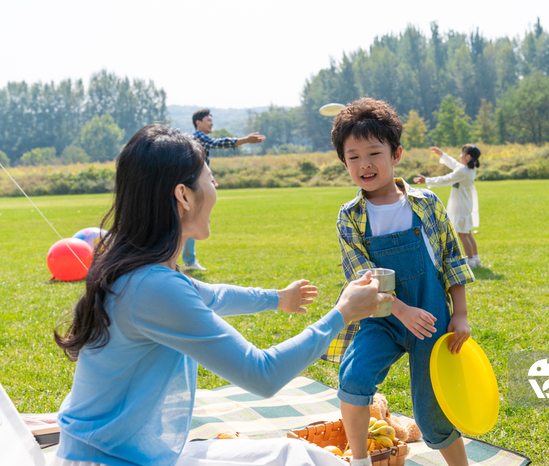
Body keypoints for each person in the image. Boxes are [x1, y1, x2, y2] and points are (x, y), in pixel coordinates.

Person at [51, 124, 392, 466]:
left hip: (121, 454)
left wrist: (278, 298)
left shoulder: (143, 273)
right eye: (210, 179)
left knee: (298, 455)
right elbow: (263, 374)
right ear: (183, 196)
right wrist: (343, 314)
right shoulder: (152, 287)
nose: (216, 188)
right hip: (107, 461)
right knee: (303, 461)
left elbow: (212, 296)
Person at [325, 98, 475, 466]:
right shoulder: (350, 217)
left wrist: (461, 315)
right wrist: (400, 310)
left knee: (432, 415)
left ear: (396, 154)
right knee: (354, 379)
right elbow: (362, 276)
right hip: (382, 320)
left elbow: (452, 260)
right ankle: (360, 461)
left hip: (432, 322)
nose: (364, 164)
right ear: (344, 163)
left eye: (374, 153)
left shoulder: (426, 203)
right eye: (353, 156)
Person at [183, 108, 266, 271]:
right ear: (198, 123)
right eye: (208, 120)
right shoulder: (199, 137)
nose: (211, 122)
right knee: (190, 221)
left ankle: (188, 260)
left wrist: (209, 179)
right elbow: (218, 143)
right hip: (193, 186)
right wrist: (246, 140)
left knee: (189, 220)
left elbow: (200, 164)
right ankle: (188, 261)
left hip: (194, 184)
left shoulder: (197, 139)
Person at [414, 145, 481, 268]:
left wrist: (427, 180)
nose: (460, 155)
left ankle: (470, 260)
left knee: (463, 234)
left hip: (461, 205)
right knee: (468, 232)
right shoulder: (468, 169)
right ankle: (475, 258)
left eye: (462, 153)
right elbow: (454, 163)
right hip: (466, 204)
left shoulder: (463, 171)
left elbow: (445, 179)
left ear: (468, 157)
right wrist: (442, 154)